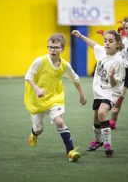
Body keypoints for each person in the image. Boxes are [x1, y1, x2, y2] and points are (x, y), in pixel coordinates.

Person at [24, 33, 87, 162]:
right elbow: (28, 77)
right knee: (38, 129)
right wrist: (37, 89)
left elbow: (76, 79)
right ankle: (34, 134)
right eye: (50, 47)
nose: (52, 50)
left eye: (56, 47)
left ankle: (70, 152)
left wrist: (82, 95)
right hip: (36, 100)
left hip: (54, 97)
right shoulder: (40, 61)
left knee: (59, 121)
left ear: (62, 49)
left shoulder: (65, 65)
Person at [71, 28, 125, 157]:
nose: (107, 43)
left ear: (117, 44)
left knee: (102, 112)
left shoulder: (118, 61)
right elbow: (93, 44)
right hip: (99, 90)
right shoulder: (102, 51)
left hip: (112, 91)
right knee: (96, 116)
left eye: (110, 41)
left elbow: (114, 84)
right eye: (105, 40)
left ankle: (107, 144)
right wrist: (80, 36)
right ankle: (97, 141)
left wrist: (111, 76)